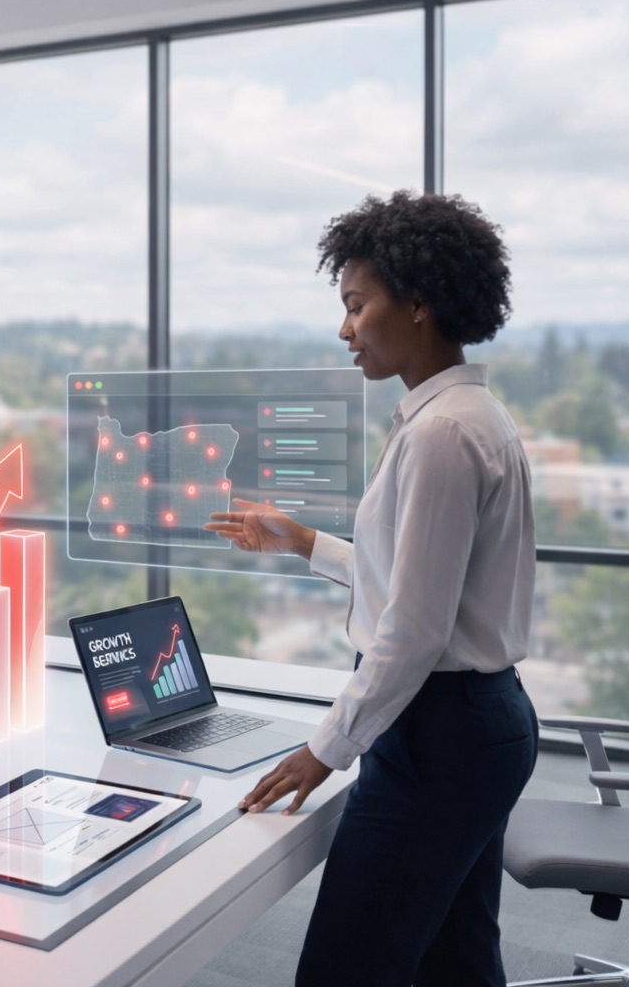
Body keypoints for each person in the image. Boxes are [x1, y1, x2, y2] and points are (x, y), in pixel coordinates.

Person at [205, 191, 538, 986]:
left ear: (419, 303)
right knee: (454, 963)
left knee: (346, 969)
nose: (345, 328)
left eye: (358, 305)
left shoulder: (445, 435)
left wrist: (324, 752)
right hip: (475, 725)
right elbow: (421, 588)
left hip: (440, 737)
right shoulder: (462, 416)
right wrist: (305, 542)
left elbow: (415, 632)